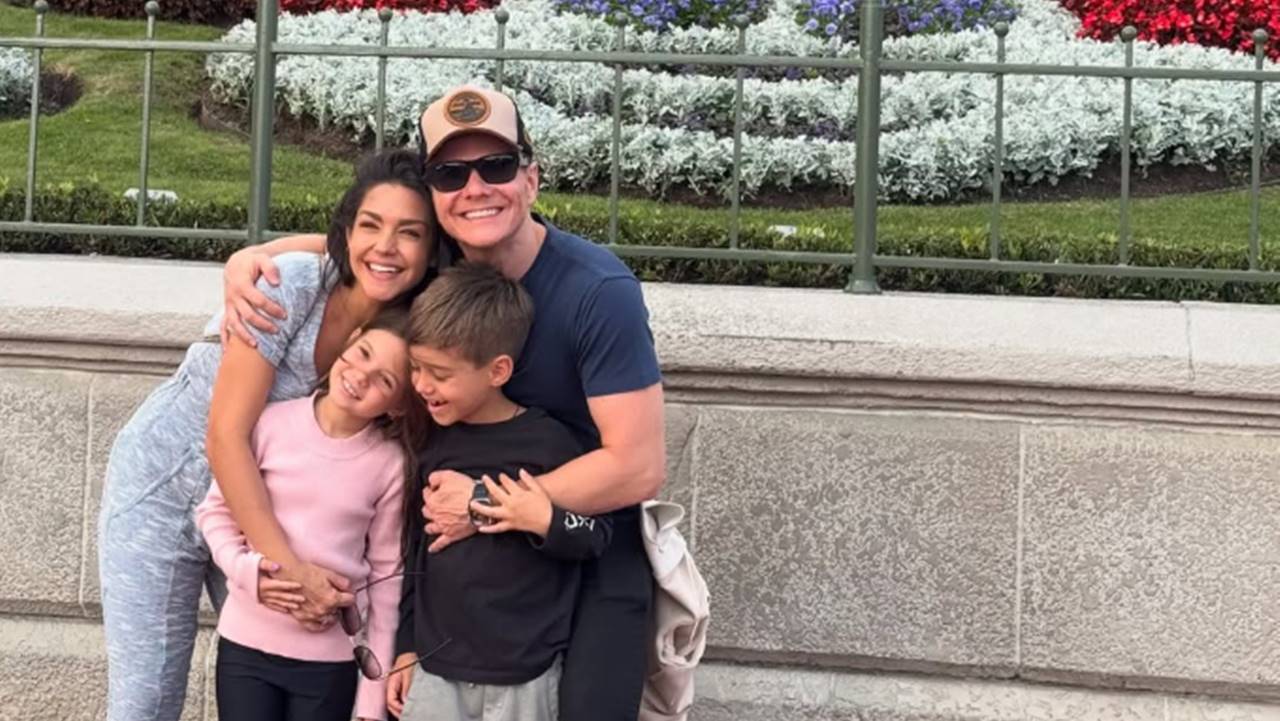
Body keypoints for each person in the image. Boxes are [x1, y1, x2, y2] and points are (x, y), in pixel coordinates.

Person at [222, 84, 667, 721]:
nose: (475, 188)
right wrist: (254, 256)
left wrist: (483, 504)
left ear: (532, 178)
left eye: (497, 166)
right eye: (451, 174)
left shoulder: (599, 292)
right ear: (434, 196)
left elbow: (638, 466)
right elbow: (364, 246)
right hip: (461, 575)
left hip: (583, 542)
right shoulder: (443, 272)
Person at [98, 149, 434, 721]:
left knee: (274, 672)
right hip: (162, 494)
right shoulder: (294, 286)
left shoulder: (406, 327)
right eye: (371, 225)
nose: (386, 246)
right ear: (348, 228)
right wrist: (291, 572)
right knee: (147, 700)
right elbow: (226, 437)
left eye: (410, 233)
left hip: (260, 517)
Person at [385, 262, 612, 721]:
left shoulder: (551, 444)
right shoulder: (431, 443)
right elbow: (412, 552)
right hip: (435, 670)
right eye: (415, 367)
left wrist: (542, 519)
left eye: (440, 374)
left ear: (498, 370)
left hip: (526, 676)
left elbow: (596, 534)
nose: (422, 385)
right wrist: (405, 646)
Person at [196, 311, 423, 721]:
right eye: (363, 353)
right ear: (350, 339)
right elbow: (215, 514)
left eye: (385, 381)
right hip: (246, 648)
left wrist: (372, 701)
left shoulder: (390, 465)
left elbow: (387, 579)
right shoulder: (270, 422)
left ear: (400, 406)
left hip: (329, 665)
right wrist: (248, 572)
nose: (361, 376)